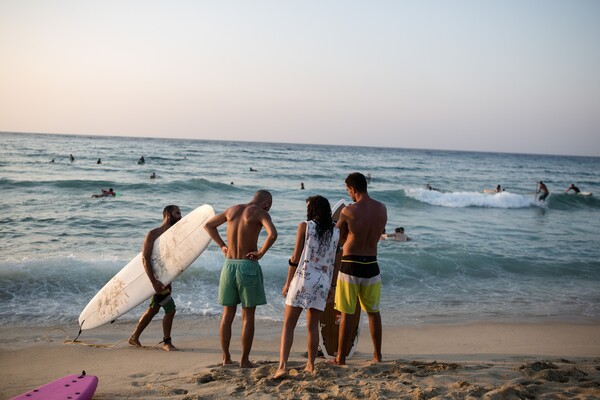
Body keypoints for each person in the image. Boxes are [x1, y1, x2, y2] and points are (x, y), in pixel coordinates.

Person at [204, 190, 278, 368]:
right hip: (247, 266)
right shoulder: (261, 213)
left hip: (229, 266)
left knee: (227, 314)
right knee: (248, 316)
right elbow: (273, 234)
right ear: (267, 203)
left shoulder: (232, 210)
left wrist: (222, 245)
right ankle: (244, 360)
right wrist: (260, 253)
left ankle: (226, 358)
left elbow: (208, 225)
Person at [274, 196, 340, 378]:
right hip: (322, 282)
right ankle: (310, 365)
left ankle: (282, 366)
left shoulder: (305, 226)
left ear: (312, 209)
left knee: (289, 325)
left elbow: (296, 257)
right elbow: (336, 261)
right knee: (312, 326)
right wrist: (333, 286)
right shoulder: (336, 232)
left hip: (303, 279)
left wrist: (288, 282)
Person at [330, 172, 387, 366]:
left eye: (348, 191)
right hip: (371, 263)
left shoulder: (348, 211)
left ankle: (341, 358)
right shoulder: (382, 209)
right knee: (373, 312)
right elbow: (379, 233)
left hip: (351, 264)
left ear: (353, 189)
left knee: (347, 312)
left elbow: (334, 236)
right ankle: (377, 355)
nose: (349, 195)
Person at [129, 205, 182, 351]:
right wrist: (153, 281)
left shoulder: (173, 237)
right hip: (154, 279)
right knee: (170, 310)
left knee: (153, 309)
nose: (180, 216)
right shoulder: (152, 234)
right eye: (177, 213)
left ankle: (134, 337)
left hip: (165, 279)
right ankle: (166, 342)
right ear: (167, 214)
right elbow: (145, 259)